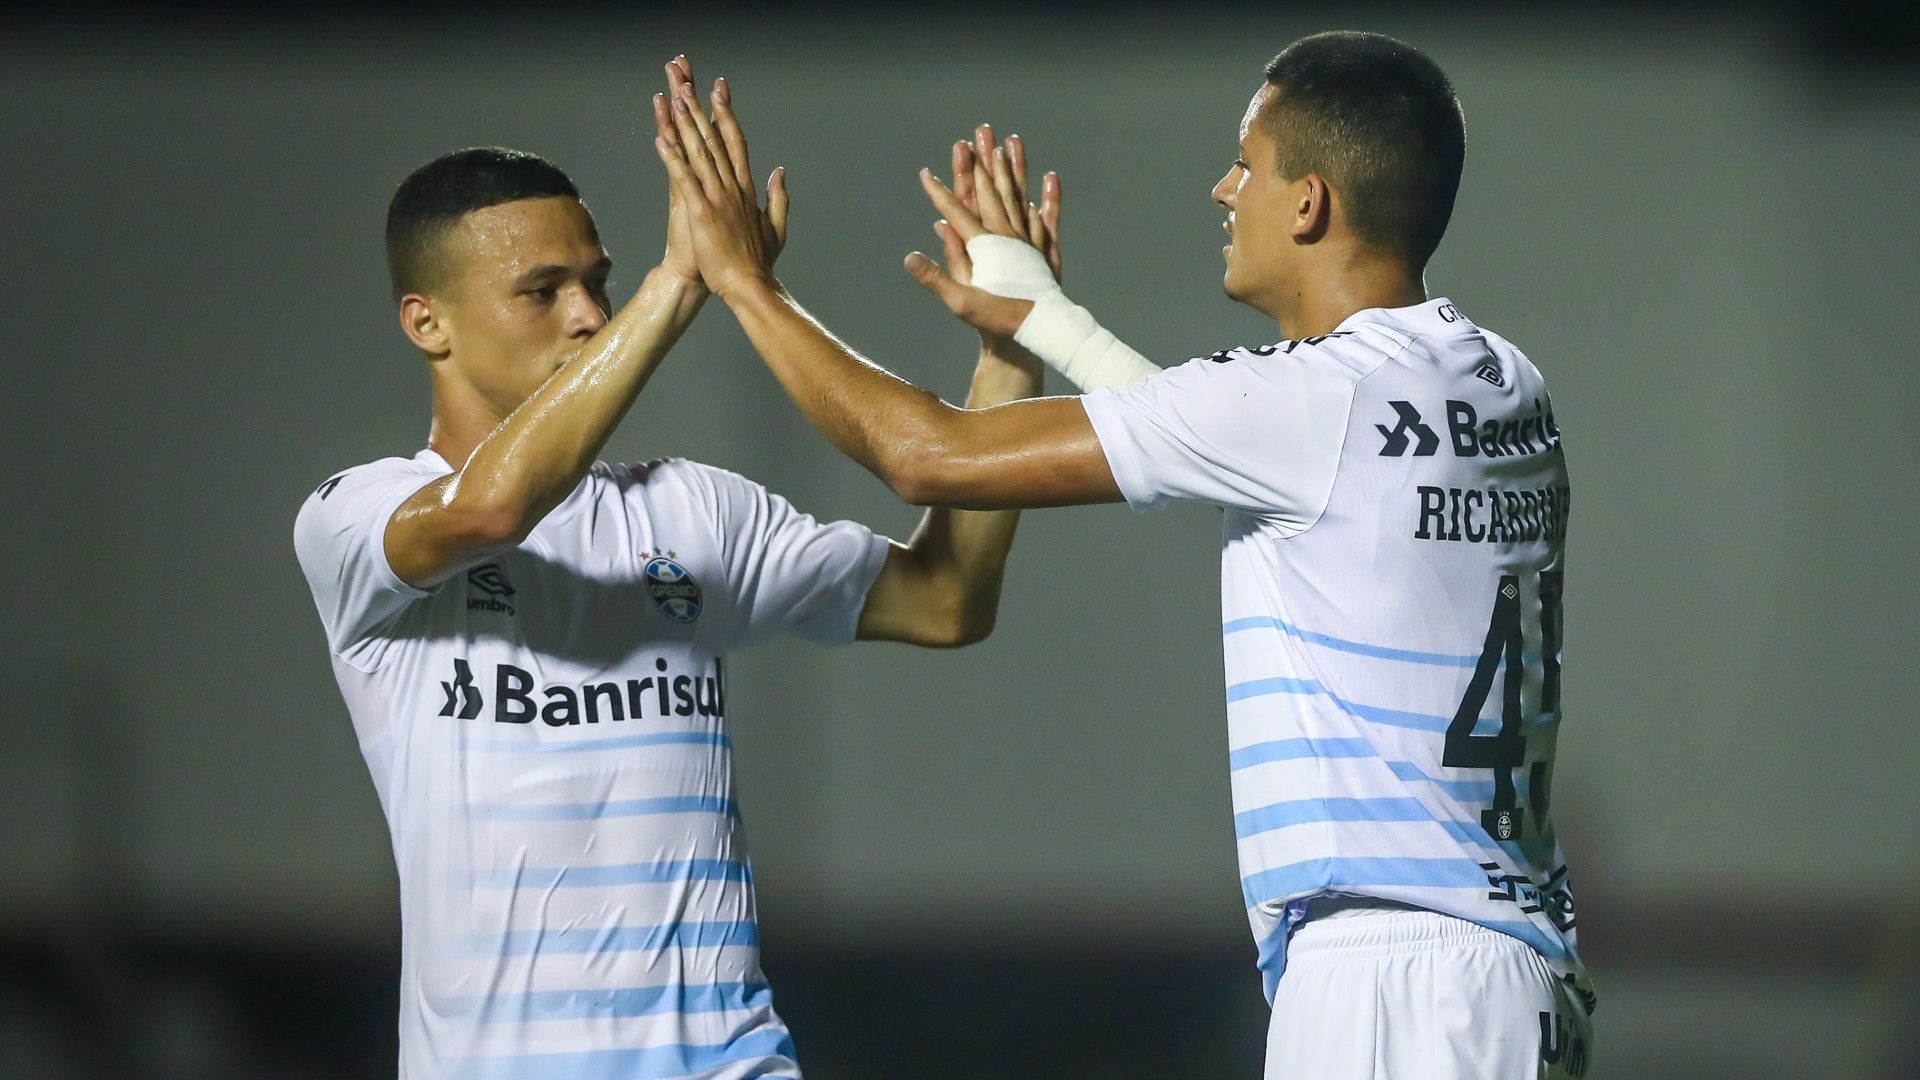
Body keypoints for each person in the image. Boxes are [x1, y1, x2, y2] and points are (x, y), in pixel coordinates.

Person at [654, 31, 1593, 1078]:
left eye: (1245, 162)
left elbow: (925, 458)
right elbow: (1245, 444)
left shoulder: (1313, 402)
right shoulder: (1498, 381)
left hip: (1391, 984)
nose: (1223, 188)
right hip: (1516, 974)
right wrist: (1048, 323)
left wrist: (746, 284)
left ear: (1309, 203)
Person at [292, 58, 1044, 1080]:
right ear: (427, 322)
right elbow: (491, 509)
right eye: (541, 291)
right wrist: (683, 281)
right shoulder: (354, 518)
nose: (588, 314)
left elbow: (945, 599)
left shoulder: (691, 511)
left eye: (597, 281)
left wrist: (1009, 359)